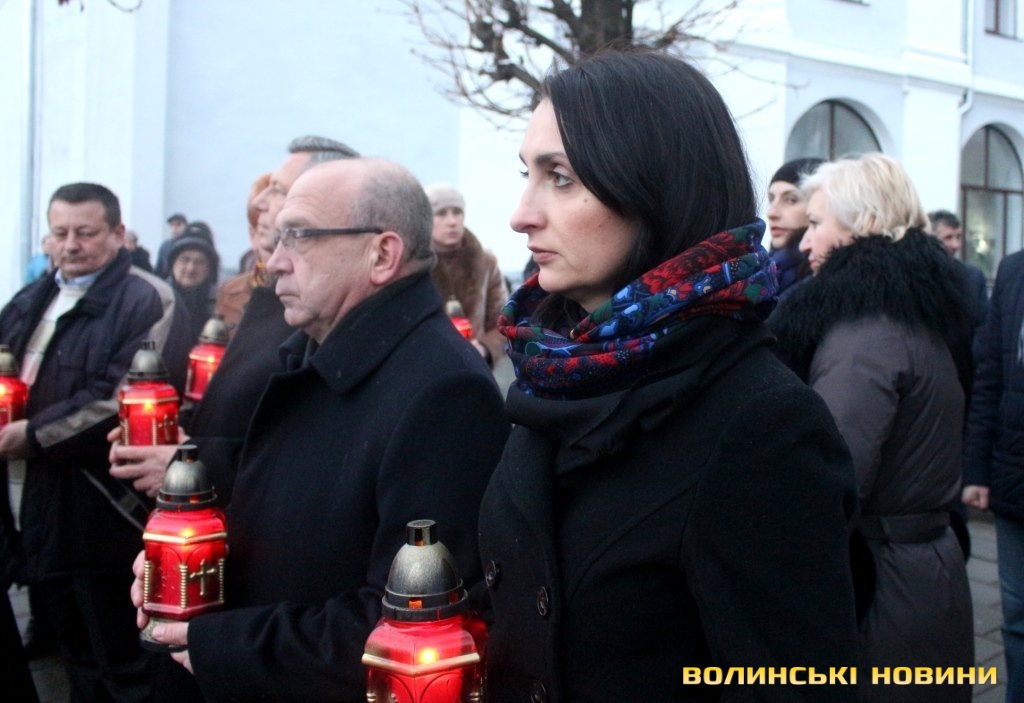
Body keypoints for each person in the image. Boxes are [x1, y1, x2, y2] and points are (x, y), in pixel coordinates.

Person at [477, 49, 859, 702]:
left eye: (560, 177)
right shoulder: (553, 366)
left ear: (655, 188)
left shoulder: (762, 424)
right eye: (527, 173)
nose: (521, 213)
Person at [132, 157, 510, 701]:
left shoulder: (445, 393)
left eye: (299, 237)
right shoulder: (315, 352)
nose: (274, 262)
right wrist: (192, 569)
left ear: (381, 255)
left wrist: (224, 645)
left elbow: (416, 626)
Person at [770, 153, 975, 702]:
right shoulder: (907, 313)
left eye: (817, 223)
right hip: (920, 576)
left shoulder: (864, 335)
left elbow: (826, 485)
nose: (805, 243)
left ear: (865, 224)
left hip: (885, 589)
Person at [0, 182, 191, 702]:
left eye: (85, 232)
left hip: (101, 508)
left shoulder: (146, 297)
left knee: (122, 662)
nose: (71, 245)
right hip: (34, 506)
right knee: (73, 658)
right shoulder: (31, 296)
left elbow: (124, 396)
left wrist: (32, 435)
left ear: (118, 232)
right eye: (59, 232)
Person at [962, 248, 1024, 702]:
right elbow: (989, 378)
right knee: (1017, 620)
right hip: (1014, 479)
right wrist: (977, 471)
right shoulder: (1014, 270)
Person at [424, 182, 509, 366]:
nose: (452, 221)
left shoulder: (486, 263)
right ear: (427, 219)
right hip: (427, 367)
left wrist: (484, 348)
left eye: (457, 212)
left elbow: (504, 322)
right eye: (441, 213)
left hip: (475, 367)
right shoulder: (414, 265)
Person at [766, 157, 822, 299]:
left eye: (791, 200)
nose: (771, 213)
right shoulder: (762, 270)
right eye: (771, 199)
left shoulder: (823, 283)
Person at [928, 209, 989, 328]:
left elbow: (984, 326)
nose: (956, 245)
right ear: (930, 240)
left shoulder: (973, 278)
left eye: (958, 237)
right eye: (948, 238)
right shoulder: (916, 279)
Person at [166, 227, 220, 343]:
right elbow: (147, 341)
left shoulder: (221, 303)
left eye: (200, 262)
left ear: (209, 269)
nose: (191, 268)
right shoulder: (157, 300)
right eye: (184, 260)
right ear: (173, 264)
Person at [155, 212, 188, 278]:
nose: (174, 228)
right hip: (166, 281)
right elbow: (159, 268)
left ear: (186, 226)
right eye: (172, 225)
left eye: (178, 224)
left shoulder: (189, 245)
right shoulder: (165, 246)